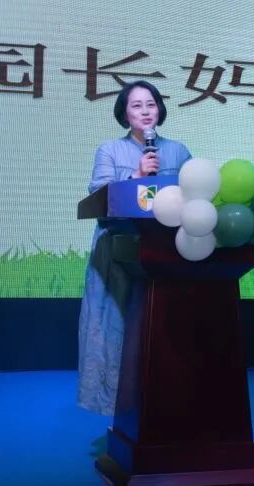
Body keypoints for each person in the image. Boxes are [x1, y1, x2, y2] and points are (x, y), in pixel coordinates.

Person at [78, 80, 191, 416]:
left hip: (165, 251)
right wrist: (137, 176)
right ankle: (118, 408)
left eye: (151, 104)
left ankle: (166, 407)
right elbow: (100, 196)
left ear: (160, 109)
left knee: (163, 330)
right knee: (116, 328)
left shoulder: (178, 152)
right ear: (124, 114)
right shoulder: (110, 150)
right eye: (136, 105)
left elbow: (193, 195)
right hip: (118, 250)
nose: (145, 111)